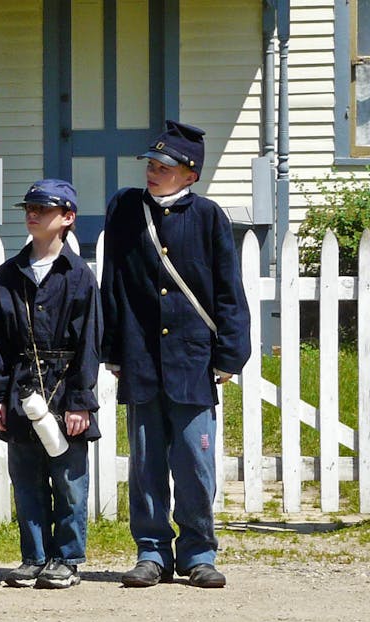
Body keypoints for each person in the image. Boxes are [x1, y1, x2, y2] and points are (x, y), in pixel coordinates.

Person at [101, 120, 250, 589]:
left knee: (193, 461)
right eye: (151, 162)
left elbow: (228, 289)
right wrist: (113, 348)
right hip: (142, 355)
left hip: (192, 357)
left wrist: (230, 353)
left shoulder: (208, 217)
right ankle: (151, 552)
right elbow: (114, 282)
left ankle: (199, 552)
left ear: (189, 174)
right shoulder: (125, 209)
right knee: (145, 464)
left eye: (164, 166)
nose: (153, 171)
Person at [0, 179, 101, 589]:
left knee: (68, 481)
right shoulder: (8, 275)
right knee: (27, 478)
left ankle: (67, 559)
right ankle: (33, 556)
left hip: (65, 386)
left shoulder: (79, 275)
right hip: (20, 388)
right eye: (29, 207)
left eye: (44, 208)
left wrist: (81, 401)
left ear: (67, 218)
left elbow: (89, 342)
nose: (33, 214)